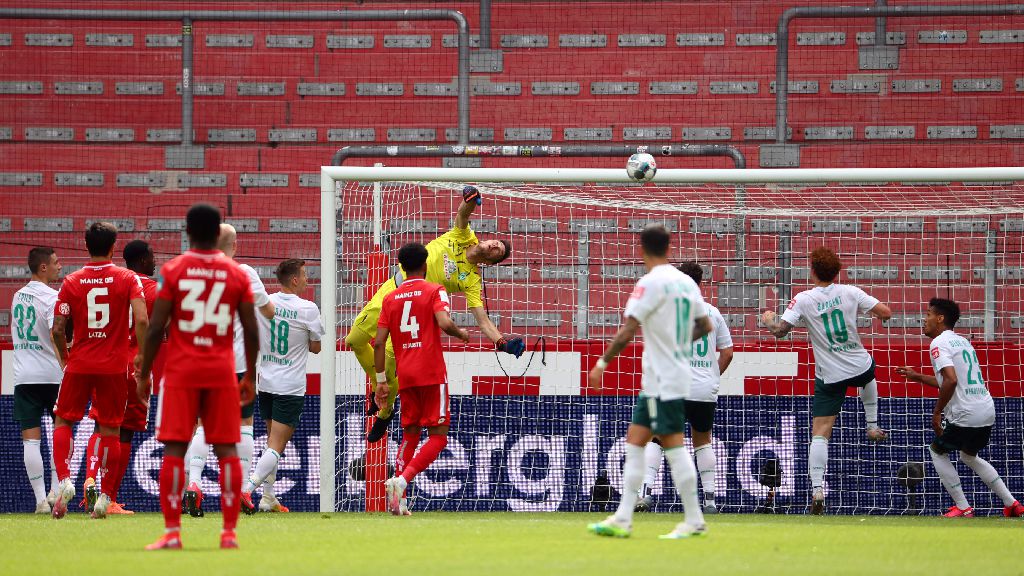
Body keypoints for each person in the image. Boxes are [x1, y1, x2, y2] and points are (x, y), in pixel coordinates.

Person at [346, 186, 523, 442]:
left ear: (490, 263)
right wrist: (470, 199)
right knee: (354, 340)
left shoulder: (471, 280)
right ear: (485, 239)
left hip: (415, 312)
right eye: (495, 242)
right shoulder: (463, 236)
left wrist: (501, 342)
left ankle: (385, 412)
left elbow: (482, 319)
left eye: (498, 251)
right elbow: (463, 213)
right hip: (393, 290)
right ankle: (380, 389)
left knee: (389, 360)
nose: (495, 245)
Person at [136, 203, 259, 550]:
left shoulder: (173, 270)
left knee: (175, 449)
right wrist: (248, 373)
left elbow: (156, 325)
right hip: (221, 371)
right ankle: (229, 533)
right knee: (227, 452)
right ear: (217, 231)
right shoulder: (236, 274)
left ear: (187, 232)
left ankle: (173, 533)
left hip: (181, 371)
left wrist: (144, 373)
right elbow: (251, 329)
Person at [587, 224, 712, 539]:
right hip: (669, 373)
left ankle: (694, 518)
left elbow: (629, 330)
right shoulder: (686, 283)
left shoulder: (650, 283)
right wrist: (680, 341)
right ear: (669, 248)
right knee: (636, 442)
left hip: (662, 376)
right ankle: (623, 517)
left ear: (642, 249)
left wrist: (602, 363)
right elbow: (706, 324)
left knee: (671, 443)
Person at [760, 247, 892, 514]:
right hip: (857, 364)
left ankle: (818, 488)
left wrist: (769, 320)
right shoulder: (851, 292)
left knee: (820, 432)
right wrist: (874, 314)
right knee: (869, 372)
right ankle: (873, 425)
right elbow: (886, 312)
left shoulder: (803, 299)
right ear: (837, 272)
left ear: (812, 271)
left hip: (829, 374)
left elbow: (780, 332)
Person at [50, 222, 149, 520]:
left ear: (85, 245)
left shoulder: (71, 281)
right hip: (115, 366)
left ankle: (66, 480)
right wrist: (143, 354)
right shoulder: (127, 278)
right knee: (111, 430)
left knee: (63, 420)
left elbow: (57, 329)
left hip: (80, 362)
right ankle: (105, 496)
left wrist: (65, 358)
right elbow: (142, 320)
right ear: (112, 246)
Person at [896, 298, 1024, 518]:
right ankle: (1011, 503)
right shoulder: (963, 342)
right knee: (968, 456)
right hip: (986, 409)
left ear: (940, 318)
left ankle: (963, 508)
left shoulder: (938, 343)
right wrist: (916, 376)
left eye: (928, 314)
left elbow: (952, 381)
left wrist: (937, 412)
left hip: (966, 412)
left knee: (936, 451)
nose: (923, 319)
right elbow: (950, 380)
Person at [183, 223, 274, 517]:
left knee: (202, 425)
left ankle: (194, 485)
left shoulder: (192, 272)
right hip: (236, 362)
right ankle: (238, 492)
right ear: (235, 246)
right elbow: (269, 311)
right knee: (244, 425)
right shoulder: (244, 273)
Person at [376, 242, 470, 515]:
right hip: (430, 372)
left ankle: (399, 500)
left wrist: (381, 380)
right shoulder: (434, 290)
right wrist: (461, 333)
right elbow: (443, 322)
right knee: (439, 436)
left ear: (402, 268)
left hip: (405, 375)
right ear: (426, 265)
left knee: (410, 433)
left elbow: (380, 342)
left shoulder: (390, 298)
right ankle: (402, 481)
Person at [636, 261, 733, 514]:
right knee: (703, 441)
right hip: (704, 389)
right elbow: (728, 352)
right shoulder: (712, 312)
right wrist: (712, 375)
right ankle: (710, 502)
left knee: (657, 438)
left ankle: (646, 494)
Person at [83, 240, 161, 515]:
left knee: (100, 424)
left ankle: (90, 476)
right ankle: (109, 498)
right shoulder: (152, 290)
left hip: (104, 363)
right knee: (124, 431)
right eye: (152, 257)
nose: (155, 261)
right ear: (141, 261)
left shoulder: (111, 282)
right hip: (134, 366)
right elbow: (158, 328)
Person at [240, 259, 324, 514]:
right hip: (290, 385)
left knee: (271, 442)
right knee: (277, 445)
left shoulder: (266, 303)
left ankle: (268, 497)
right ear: (295, 280)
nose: (308, 279)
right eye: (305, 275)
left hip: (265, 381)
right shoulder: (308, 308)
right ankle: (247, 488)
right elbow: (317, 347)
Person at [11, 247, 63, 513]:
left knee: (30, 440)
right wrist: (66, 363)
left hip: (24, 376)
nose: (59, 266)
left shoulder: (17, 297)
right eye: (55, 263)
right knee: (59, 434)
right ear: (43, 267)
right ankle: (56, 493)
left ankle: (40, 500)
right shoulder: (53, 297)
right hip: (53, 375)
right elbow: (56, 334)